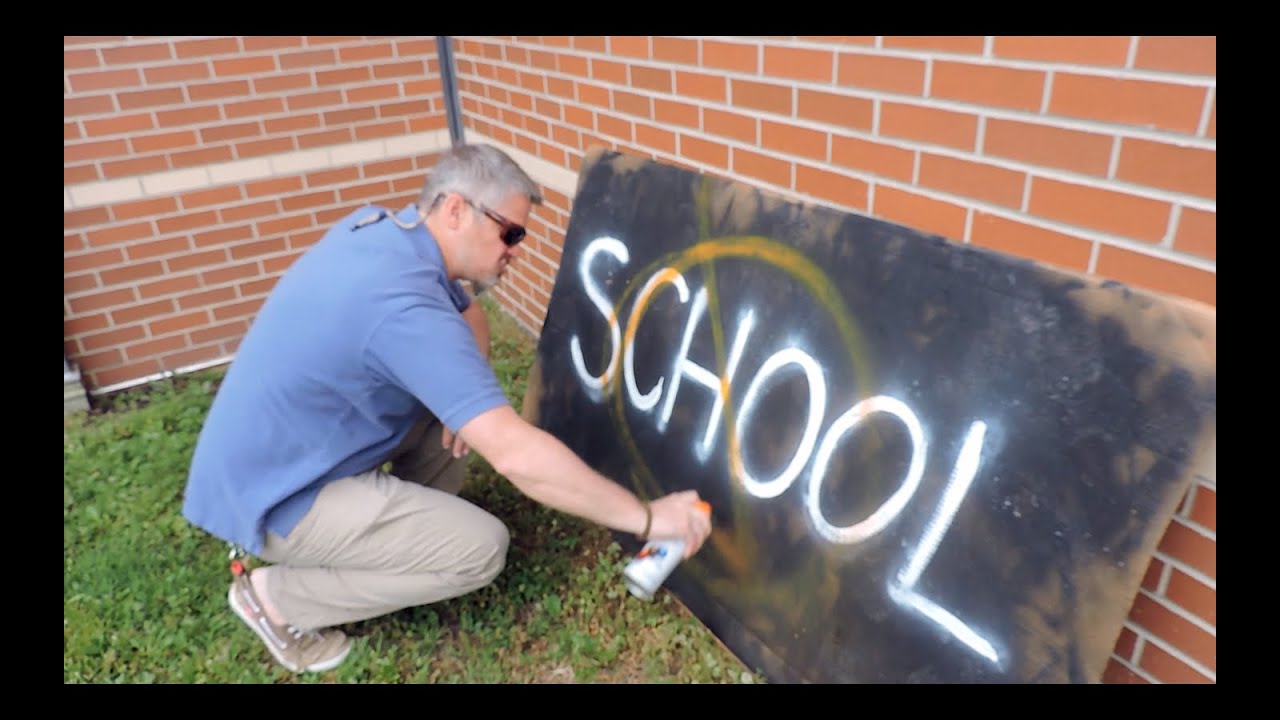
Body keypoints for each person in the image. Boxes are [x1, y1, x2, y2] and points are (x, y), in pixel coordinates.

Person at [180, 143, 713, 674]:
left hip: (281, 455)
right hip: (277, 498)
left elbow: (471, 313)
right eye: (510, 232)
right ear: (456, 209)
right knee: (480, 550)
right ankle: (277, 599)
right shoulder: (403, 309)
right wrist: (647, 517)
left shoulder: (384, 233)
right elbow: (516, 455)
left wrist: (462, 402)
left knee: (455, 416)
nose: (516, 250)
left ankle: (393, 537)